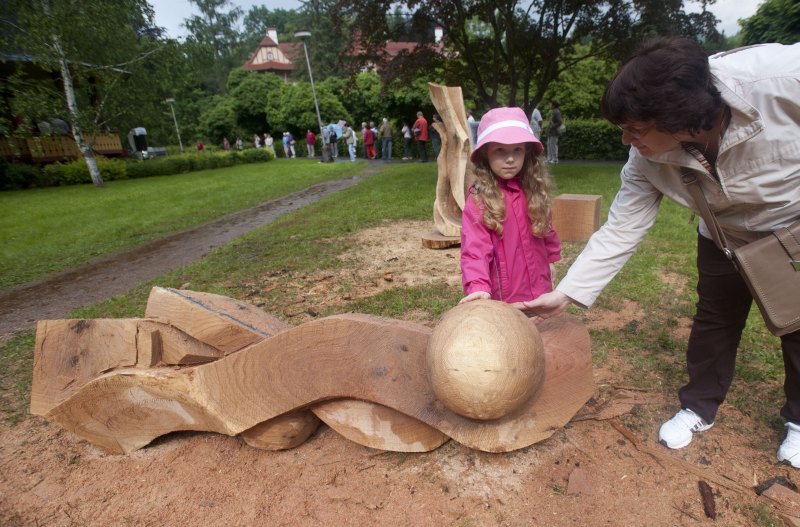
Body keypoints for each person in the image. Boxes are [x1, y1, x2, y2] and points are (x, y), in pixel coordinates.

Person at [526, 37, 800, 465]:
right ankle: (699, 406)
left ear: (681, 117)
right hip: (722, 233)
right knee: (715, 319)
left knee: (799, 325)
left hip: (792, 227)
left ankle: (799, 422)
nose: (625, 141)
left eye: (635, 129)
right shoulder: (645, 160)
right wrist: (565, 294)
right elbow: (623, 226)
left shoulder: (781, 77)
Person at [460, 106, 560, 306]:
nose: (510, 159)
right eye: (500, 150)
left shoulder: (534, 188)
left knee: (540, 336)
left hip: (539, 291)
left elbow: (546, 229)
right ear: (485, 154)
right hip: (504, 299)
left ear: (527, 151)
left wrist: (550, 259)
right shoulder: (480, 198)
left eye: (517, 150)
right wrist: (478, 286)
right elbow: (475, 249)